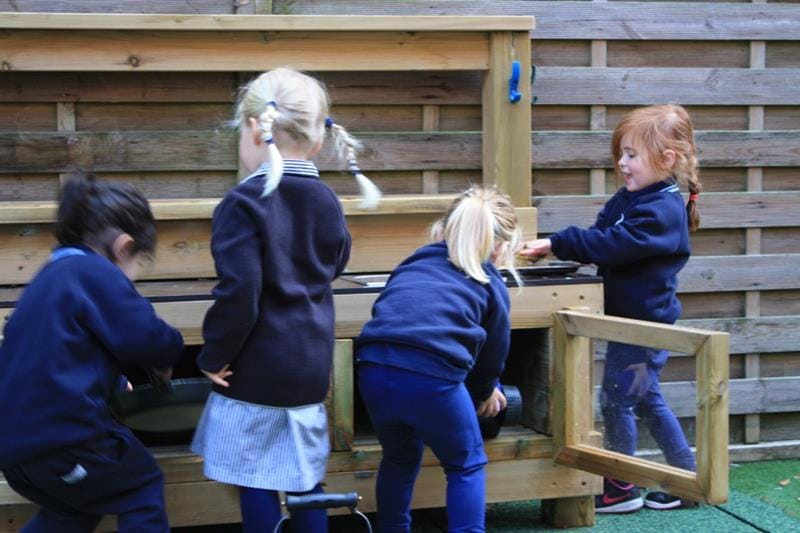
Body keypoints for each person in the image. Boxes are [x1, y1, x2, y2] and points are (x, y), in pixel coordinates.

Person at [189, 67, 380, 533]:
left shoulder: (244, 202)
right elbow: (334, 263)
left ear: (256, 127)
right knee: (302, 475)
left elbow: (240, 293)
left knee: (255, 476)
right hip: (311, 364)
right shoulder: (326, 200)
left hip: (256, 368)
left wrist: (213, 355)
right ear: (317, 141)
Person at [519, 104, 702, 513]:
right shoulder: (633, 197)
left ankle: (620, 488)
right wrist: (564, 252)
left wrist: (559, 242)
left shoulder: (661, 210)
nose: (622, 163)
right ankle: (688, 479)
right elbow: (604, 234)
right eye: (621, 153)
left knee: (619, 400)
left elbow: (618, 245)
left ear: (667, 159)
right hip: (630, 324)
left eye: (632, 154)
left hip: (644, 328)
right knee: (644, 398)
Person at [0, 173, 185, 532]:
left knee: (71, 510)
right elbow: (144, 335)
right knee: (141, 487)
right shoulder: (94, 271)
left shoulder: (51, 276)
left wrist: (114, 381)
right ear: (124, 247)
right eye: (136, 269)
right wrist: (167, 355)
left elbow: (64, 353)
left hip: (16, 447)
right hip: (66, 439)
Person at [356, 186, 522, 533]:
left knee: (399, 458)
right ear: (500, 245)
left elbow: (391, 309)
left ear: (446, 229)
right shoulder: (488, 279)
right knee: (466, 464)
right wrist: (484, 392)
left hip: (372, 367)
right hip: (431, 375)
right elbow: (494, 350)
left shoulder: (415, 261)